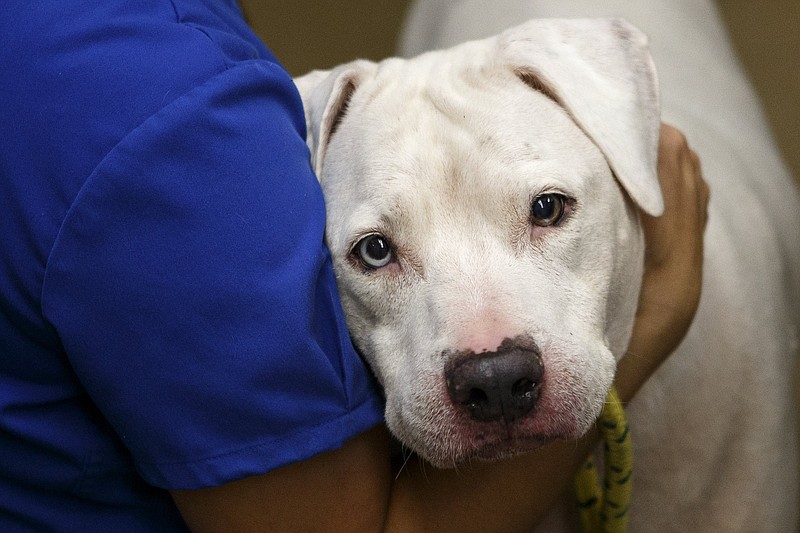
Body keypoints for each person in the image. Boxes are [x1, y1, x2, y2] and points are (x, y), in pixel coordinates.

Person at [0, 1, 708, 531]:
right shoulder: (181, 129)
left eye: (547, 210)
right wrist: (654, 316)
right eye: (377, 250)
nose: (489, 362)